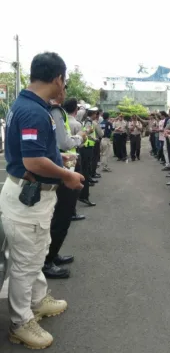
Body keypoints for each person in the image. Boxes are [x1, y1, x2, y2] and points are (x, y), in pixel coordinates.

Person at [0, 52, 84, 349]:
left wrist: (57, 157)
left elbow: (33, 152)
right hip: (29, 198)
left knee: (35, 252)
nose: (64, 87)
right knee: (25, 262)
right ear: (58, 78)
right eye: (65, 80)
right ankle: (21, 322)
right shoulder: (35, 111)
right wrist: (66, 175)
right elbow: (33, 161)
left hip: (29, 196)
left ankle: (37, 300)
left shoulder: (27, 104)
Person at [43, 90, 87, 280]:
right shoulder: (54, 111)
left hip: (60, 161)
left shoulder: (52, 111)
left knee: (62, 215)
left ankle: (52, 254)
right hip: (61, 166)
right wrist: (80, 138)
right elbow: (63, 141)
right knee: (61, 215)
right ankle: (48, 260)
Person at [63, 98, 87, 220]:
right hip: (73, 157)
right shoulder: (77, 124)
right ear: (76, 110)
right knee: (73, 185)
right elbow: (81, 143)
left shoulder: (62, 120)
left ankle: (67, 211)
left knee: (64, 185)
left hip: (63, 157)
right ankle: (71, 212)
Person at [78, 108, 98, 207]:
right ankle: (83, 195)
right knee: (85, 170)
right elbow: (86, 132)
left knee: (84, 170)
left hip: (85, 147)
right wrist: (94, 138)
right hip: (86, 147)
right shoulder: (88, 122)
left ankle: (82, 194)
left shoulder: (84, 121)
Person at [91, 109, 103, 179]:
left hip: (91, 142)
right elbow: (101, 134)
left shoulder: (89, 122)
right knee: (95, 158)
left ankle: (92, 172)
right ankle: (93, 172)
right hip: (96, 141)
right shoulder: (95, 123)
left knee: (92, 159)